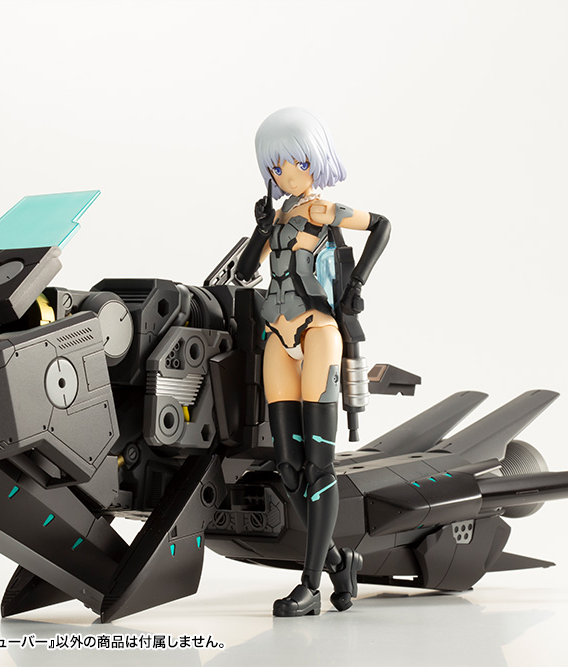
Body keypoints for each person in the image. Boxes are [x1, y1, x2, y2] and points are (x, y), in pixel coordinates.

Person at [234, 107, 391, 617]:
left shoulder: (323, 210)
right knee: (288, 468)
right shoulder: (278, 216)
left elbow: (382, 225)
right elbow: (244, 273)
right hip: (276, 338)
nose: (284, 173)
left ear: (312, 161)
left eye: (294, 162)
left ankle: (310, 586)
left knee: (319, 469)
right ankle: (340, 561)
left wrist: (358, 284)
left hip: (317, 333)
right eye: (274, 166)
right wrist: (260, 229)